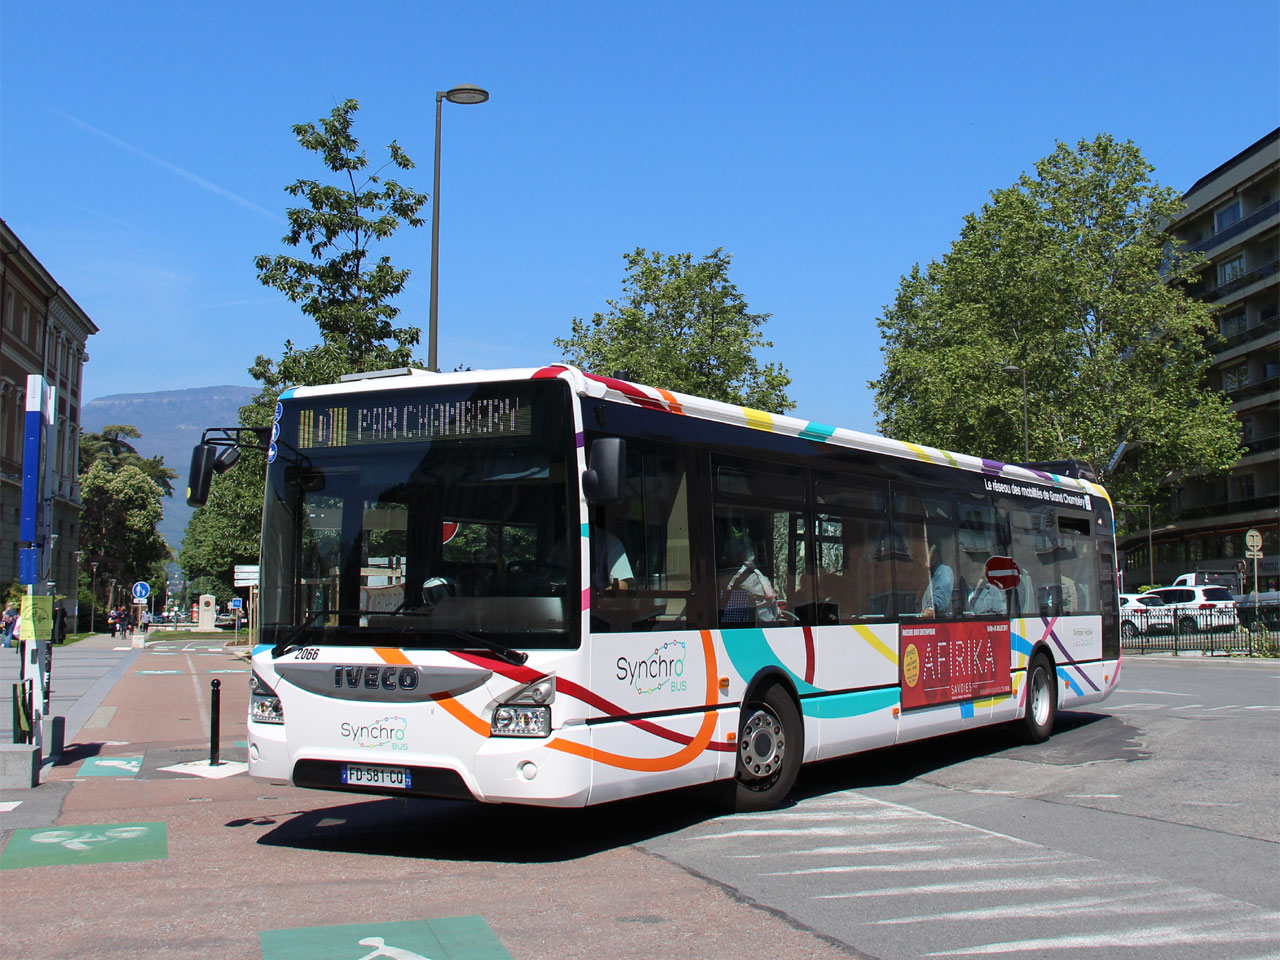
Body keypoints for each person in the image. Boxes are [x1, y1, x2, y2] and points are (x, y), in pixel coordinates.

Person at [921, 543, 954, 618]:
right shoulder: (928, 578)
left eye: (925, 554)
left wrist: (930, 608)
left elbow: (940, 593)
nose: (923, 557)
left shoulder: (945, 571)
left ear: (935, 554)